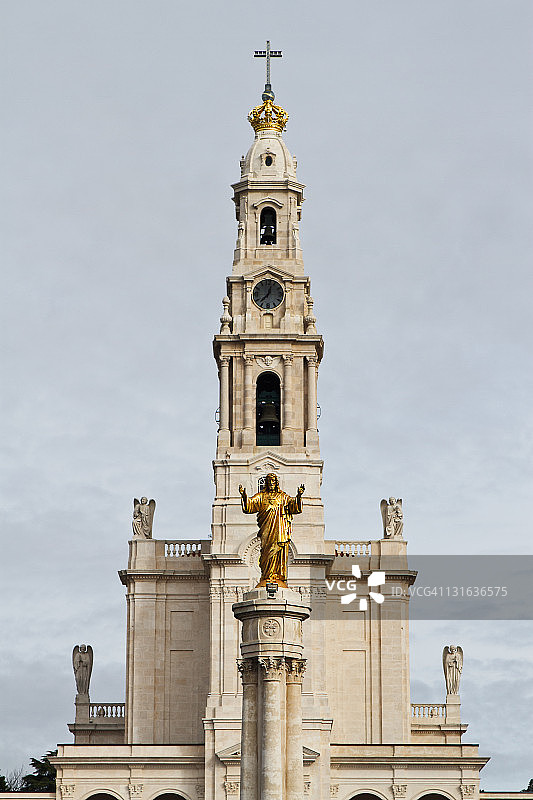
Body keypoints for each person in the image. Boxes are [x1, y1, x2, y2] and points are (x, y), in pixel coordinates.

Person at [239, 473, 304, 586]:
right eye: (269, 481)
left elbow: (294, 506)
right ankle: (266, 575)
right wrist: (244, 495)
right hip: (266, 529)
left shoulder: (283, 497)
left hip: (279, 529)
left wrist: (299, 496)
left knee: (278, 551)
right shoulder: (261, 496)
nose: (271, 483)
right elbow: (249, 505)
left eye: (273, 481)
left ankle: (277, 575)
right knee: (266, 551)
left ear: (276, 483)